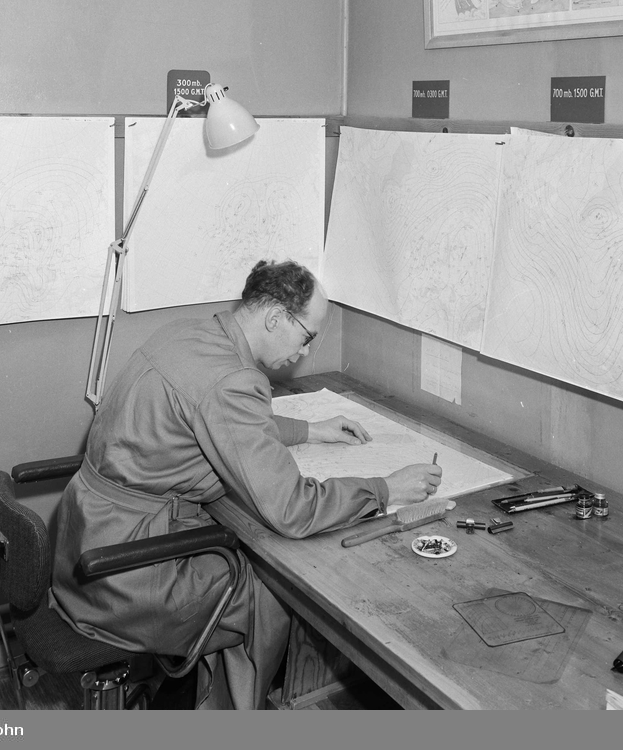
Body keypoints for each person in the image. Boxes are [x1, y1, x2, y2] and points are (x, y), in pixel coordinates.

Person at [49, 259, 441, 709]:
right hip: (124, 572)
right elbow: (293, 509)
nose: (305, 352)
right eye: (307, 336)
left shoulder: (191, 334)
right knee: (273, 593)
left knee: (247, 559)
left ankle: (191, 694)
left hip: (85, 541)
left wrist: (310, 430)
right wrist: (386, 489)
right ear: (275, 317)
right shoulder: (233, 380)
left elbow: (222, 419)